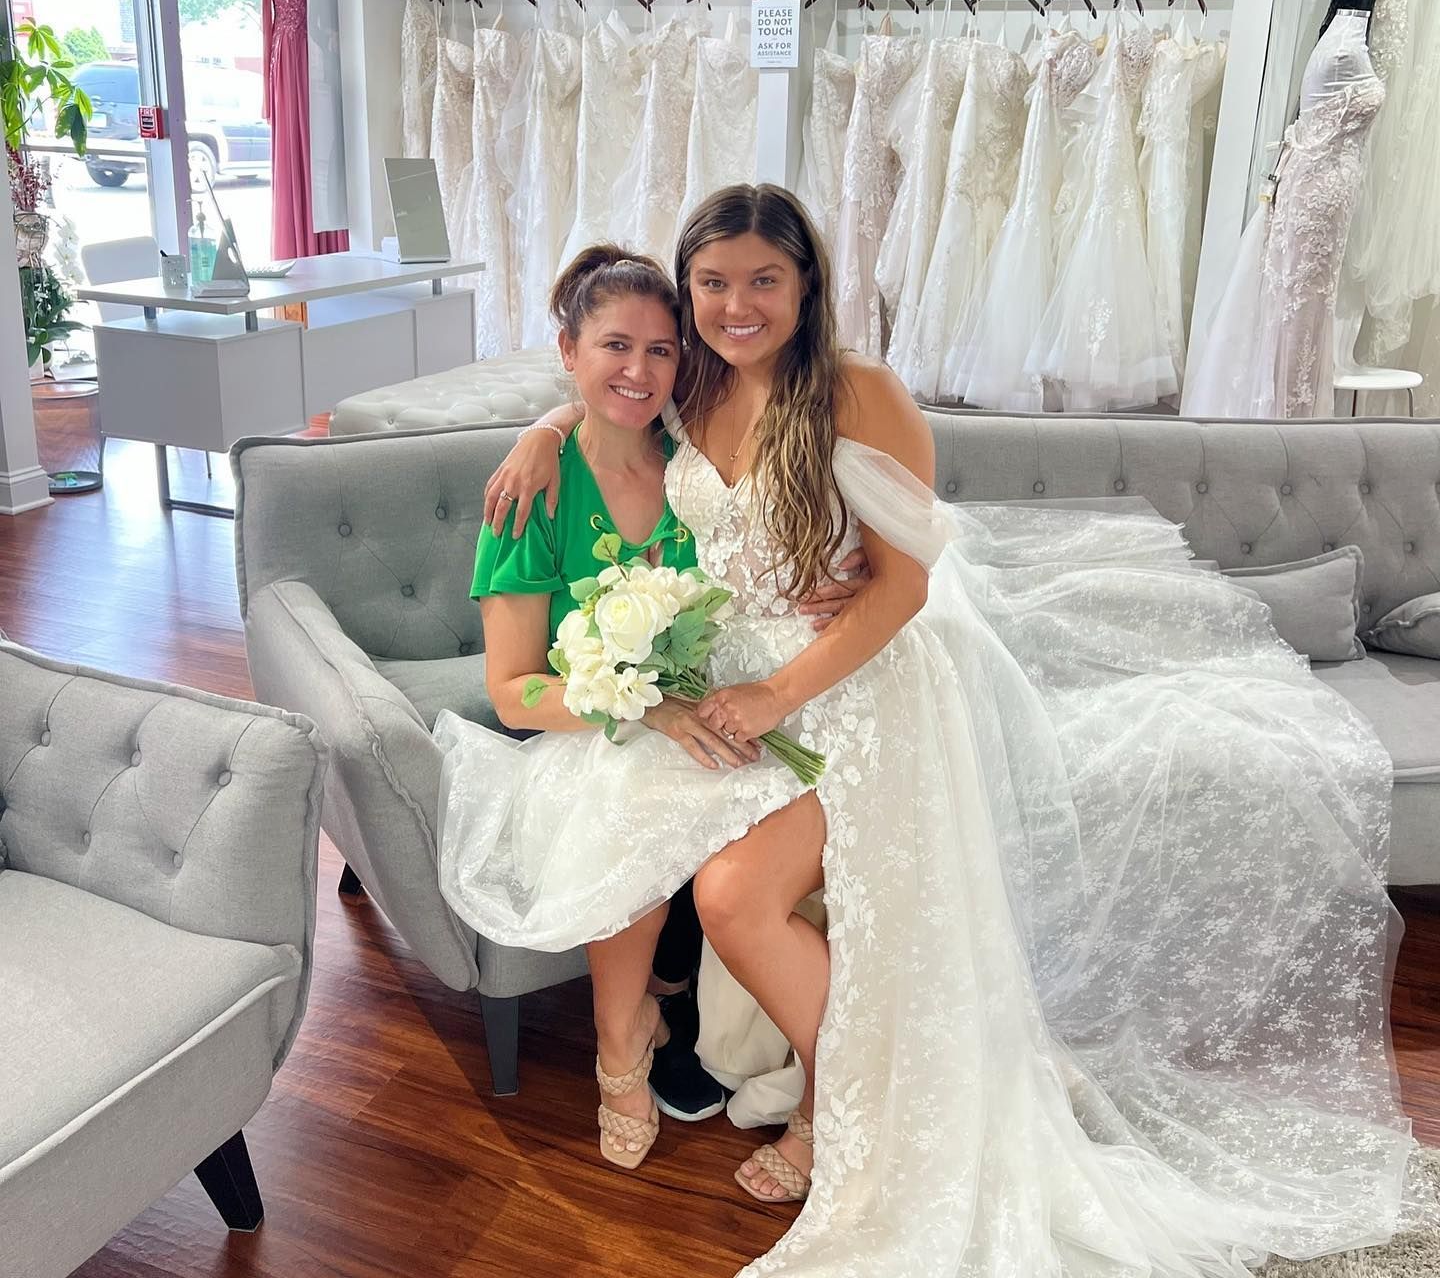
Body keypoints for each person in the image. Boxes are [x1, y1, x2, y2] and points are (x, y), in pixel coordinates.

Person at [452, 186, 1417, 1274]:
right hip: (735, 688)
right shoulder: (693, 387)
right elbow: (607, 393)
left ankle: (837, 1112)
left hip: (858, 691)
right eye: (712, 283)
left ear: (807, 282)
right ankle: (667, 1054)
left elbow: (904, 586)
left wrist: (779, 694)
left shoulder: (859, 392)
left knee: (743, 897)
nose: (736, 304)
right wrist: (541, 429)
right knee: (686, 865)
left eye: (763, 279)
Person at [436, 242, 869, 1166]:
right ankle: (620, 1047)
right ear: (568, 350)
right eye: (613, 347)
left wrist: (832, 576)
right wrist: (626, 704)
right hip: (592, 725)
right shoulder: (532, 498)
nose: (638, 370)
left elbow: (775, 539)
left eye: (662, 350)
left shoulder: (694, 448)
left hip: (727, 706)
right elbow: (511, 690)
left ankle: (802, 1060)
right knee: (625, 792)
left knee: (781, 800)